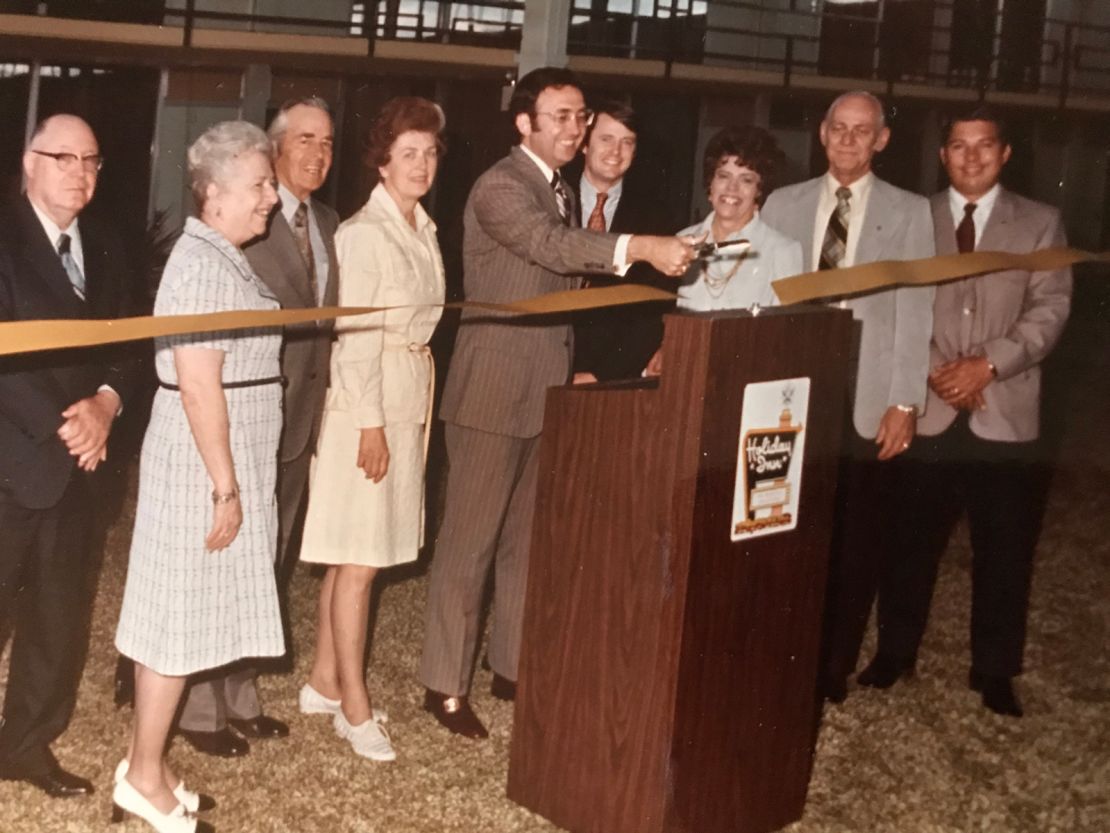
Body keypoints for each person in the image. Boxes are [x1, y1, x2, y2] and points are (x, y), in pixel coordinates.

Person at [419, 66, 701, 739]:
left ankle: (511, 667)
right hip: (492, 391)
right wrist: (640, 247)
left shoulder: (561, 192)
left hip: (546, 386)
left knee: (525, 543)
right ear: (525, 123)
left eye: (581, 117)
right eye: (562, 117)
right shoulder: (501, 186)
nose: (575, 129)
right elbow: (548, 247)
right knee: (470, 544)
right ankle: (442, 685)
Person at [858, 106, 1072, 717]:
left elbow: (1050, 309)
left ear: (1005, 153)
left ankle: (994, 671)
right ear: (942, 154)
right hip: (926, 407)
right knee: (908, 543)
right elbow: (894, 304)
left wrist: (988, 365)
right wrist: (939, 372)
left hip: (1004, 412)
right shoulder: (912, 217)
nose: (971, 157)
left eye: (984, 146)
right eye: (958, 146)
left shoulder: (1040, 222)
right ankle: (894, 654)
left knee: (1004, 550)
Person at [113, 120, 283, 833]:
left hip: (214, 455)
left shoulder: (221, 256)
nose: (272, 198)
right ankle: (144, 777)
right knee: (172, 627)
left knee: (180, 624)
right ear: (214, 194)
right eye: (260, 184)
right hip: (199, 464)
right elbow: (197, 382)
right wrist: (226, 486)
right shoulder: (201, 265)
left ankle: (143, 767)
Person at [173, 96, 339, 759]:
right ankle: (199, 705)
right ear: (271, 149)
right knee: (224, 561)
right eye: (305, 140)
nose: (318, 153)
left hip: (297, 423)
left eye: (328, 142)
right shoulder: (245, 223)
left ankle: (240, 695)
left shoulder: (328, 222)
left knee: (264, 564)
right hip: (243, 416)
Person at [760, 90, 935, 703]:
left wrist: (906, 401)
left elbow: (917, 310)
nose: (849, 140)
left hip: (868, 399)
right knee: (784, 533)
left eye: (863, 131)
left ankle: (830, 667)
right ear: (822, 131)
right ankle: (781, 654)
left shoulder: (912, 212)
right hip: (793, 395)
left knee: (856, 542)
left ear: (882, 140)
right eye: (839, 128)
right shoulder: (782, 204)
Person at [297, 96, 447, 762]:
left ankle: (323, 682)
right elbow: (353, 338)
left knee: (354, 553)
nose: (422, 164)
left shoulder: (422, 227)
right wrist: (370, 424)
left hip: (406, 392)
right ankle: (354, 707)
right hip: (369, 402)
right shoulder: (363, 232)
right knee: (358, 562)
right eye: (408, 153)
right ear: (382, 162)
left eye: (431, 153)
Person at [0, 114, 138, 799]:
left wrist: (106, 403)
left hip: (84, 466)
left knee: (57, 617)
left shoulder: (109, 243)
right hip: (11, 458)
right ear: (29, 163)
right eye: (63, 158)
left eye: (92, 159)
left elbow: (132, 343)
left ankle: (24, 745)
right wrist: (68, 424)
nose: (80, 172)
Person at [644, 125, 802, 376]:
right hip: (681, 373)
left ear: (759, 190)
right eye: (723, 176)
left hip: (743, 377)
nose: (732, 188)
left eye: (746, 179)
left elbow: (784, 338)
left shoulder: (783, 250)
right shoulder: (679, 241)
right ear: (710, 184)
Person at [568, 98, 672, 383]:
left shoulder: (656, 218)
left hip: (614, 377)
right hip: (547, 367)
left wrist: (602, 374)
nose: (616, 151)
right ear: (584, 144)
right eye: (606, 139)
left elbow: (653, 310)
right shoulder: (551, 202)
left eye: (627, 142)